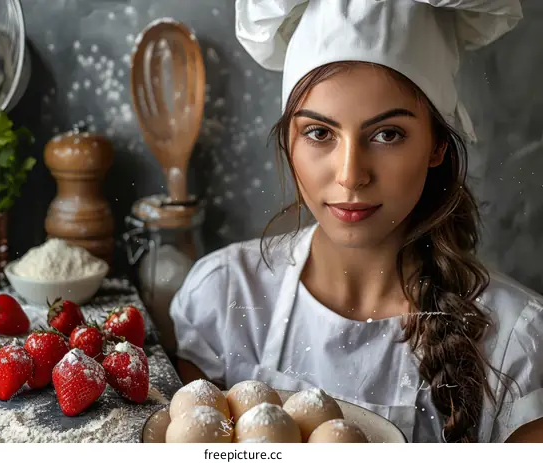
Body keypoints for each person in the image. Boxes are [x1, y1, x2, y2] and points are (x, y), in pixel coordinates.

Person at [168, 0, 543, 443]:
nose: (350, 174)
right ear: (289, 141)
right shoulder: (224, 298)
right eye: (319, 133)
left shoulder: (518, 346)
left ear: (437, 145)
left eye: (387, 134)